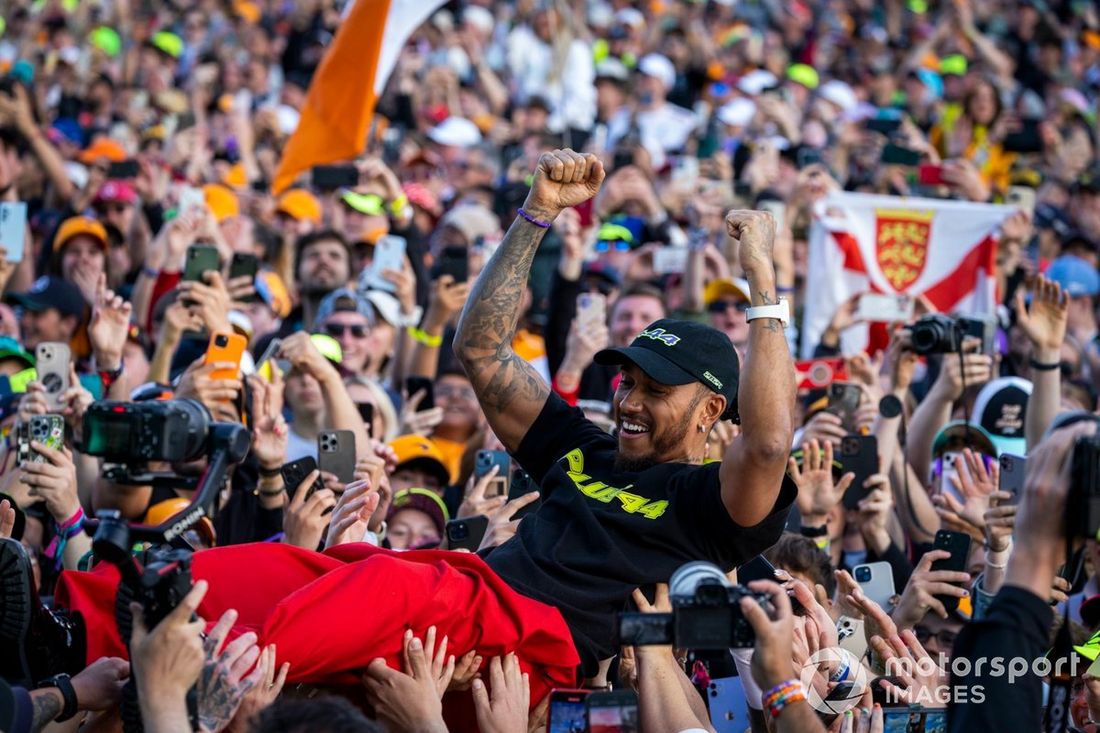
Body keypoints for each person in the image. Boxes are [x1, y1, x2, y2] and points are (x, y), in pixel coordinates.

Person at [455, 149, 797, 677]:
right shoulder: (578, 448)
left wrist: (760, 275)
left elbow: (769, 444)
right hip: (456, 603)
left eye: (655, 390)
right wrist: (536, 212)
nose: (628, 403)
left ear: (710, 408)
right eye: (627, 382)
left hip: (525, 654)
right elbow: (480, 351)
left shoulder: (705, 506)